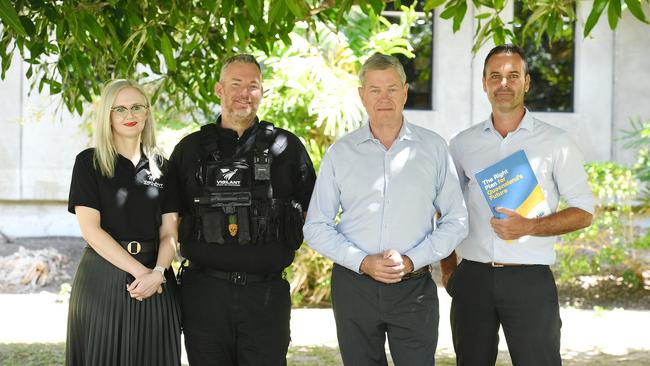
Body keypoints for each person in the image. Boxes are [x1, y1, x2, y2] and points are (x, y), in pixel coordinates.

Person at [303, 53, 468, 365]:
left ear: (405, 92)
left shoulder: (432, 148)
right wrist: (362, 262)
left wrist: (410, 260)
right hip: (355, 287)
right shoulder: (341, 153)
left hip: (414, 287)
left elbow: (457, 220)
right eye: (375, 90)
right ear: (362, 96)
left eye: (392, 89)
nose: (384, 98)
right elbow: (316, 226)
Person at [443, 44, 595, 366]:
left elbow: (583, 212)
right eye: (495, 76)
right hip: (472, 278)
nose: (504, 84)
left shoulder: (556, 142)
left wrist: (530, 227)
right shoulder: (462, 144)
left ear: (526, 82)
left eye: (513, 76)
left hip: (530, 280)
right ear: (484, 83)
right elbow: (444, 208)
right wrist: (449, 272)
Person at [166, 54, 316, 365]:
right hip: (204, 294)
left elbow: (312, 213)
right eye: (236, 84)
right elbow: (170, 218)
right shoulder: (189, 149)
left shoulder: (287, 148)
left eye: (253, 85)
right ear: (219, 89)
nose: (244, 93)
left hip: (265, 295)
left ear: (263, 93)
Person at [65, 79, 181, 366]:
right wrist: (141, 273)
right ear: (108, 115)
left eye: (137, 107)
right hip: (102, 278)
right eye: (120, 109)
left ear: (147, 113)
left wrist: (157, 273)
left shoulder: (163, 167)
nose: (130, 115)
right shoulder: (89, 163)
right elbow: (91, 230)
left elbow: (170, 233)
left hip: (157, 281)